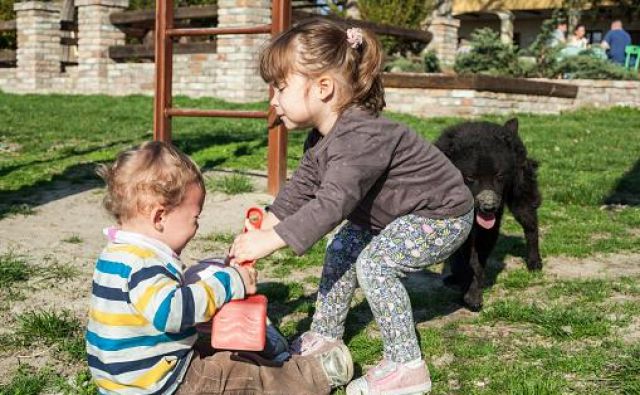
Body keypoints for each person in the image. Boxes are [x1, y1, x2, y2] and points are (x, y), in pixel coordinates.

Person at [229, 19, 474, 395]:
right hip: (393, 216)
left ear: (323, 87)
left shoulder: (361, 135)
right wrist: (263, 226)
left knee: (375, 264)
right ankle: (326, 335)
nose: (273, 101)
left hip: (440, 215)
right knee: (342, 247)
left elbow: (331, 204)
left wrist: (271, 241)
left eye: (280, 87)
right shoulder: (321, 137)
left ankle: (407, 366)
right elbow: (301, 191)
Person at [87, 141, 353, 395]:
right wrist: (231, 281)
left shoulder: (117, 253)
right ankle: (315, 373)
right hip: (163, 384)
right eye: (194, 218)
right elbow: (172, 311)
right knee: (239, 376)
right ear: (159, 217)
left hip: (126, 382)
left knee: (217, 347)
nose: (197, 227)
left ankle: (267, 350)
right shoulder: (143, 262)